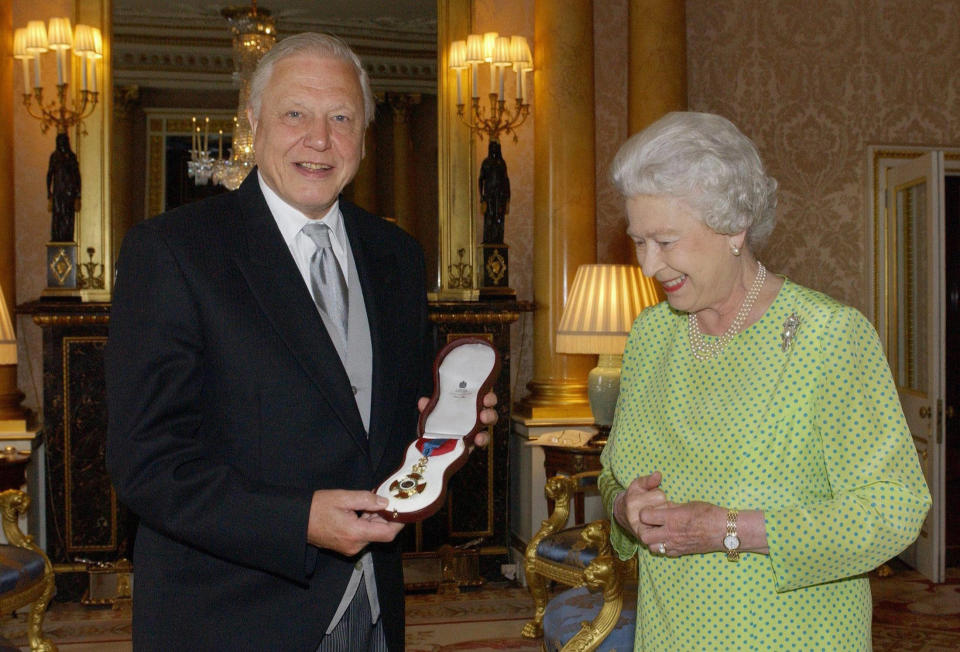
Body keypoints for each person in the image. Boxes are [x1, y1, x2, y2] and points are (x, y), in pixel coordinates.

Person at [106, 33, 496, 652]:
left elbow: (379, 426)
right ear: (253, 122)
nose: (320, 139)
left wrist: (445, 434)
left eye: (341, 117)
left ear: (364, 136)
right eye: (296, 114)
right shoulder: (174, 252)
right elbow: (146, 462)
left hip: (373, 604)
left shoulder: (397, 256)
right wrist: (299, 523)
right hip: (230, 616)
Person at [599, 111, 931, 650]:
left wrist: (731, 530)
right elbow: (615, 471)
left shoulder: (828, 337)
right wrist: (622, 507)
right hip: (668, 634)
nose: (647, 264)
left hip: (795, 635)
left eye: (665, 240)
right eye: (638, 241)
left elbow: (894, 508)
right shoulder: (649, 336)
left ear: (734, 226)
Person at [47, 132, 81, 242]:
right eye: (60, 141)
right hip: (58, 192)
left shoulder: (71, 157)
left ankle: (67, 238)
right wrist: (49, 193)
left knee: (68, 218)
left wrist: (78, 195)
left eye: (63, 141)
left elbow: (77, 176)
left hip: (70, 192)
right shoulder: (54, 156)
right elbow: (49, 174)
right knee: (58, 217)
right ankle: (57, 238)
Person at [479, 140, 509, 244]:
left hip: (500, 195)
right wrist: (481, 196)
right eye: (492, 147)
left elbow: (506, 180)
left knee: (499, 217)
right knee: (490, 215)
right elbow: (481, 179)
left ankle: (498, 239)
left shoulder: (502, 163)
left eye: (496, 147)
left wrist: (508, 197)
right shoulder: (486, 162)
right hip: (489, 194)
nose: (494, 149)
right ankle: (488, 239)